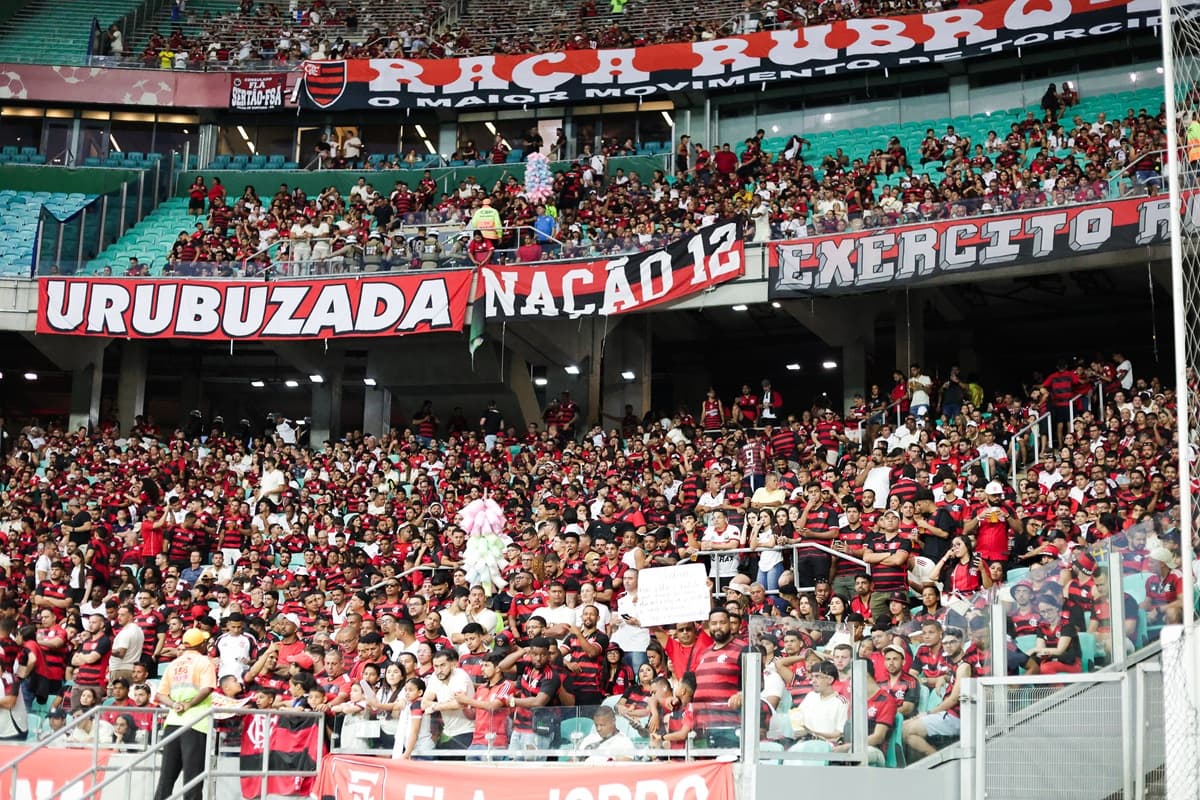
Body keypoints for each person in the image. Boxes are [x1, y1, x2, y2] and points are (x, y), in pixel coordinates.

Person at [152, 628, 217, 800]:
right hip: (196, 723)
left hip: (173, 722)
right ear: (201, 644)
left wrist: (174, 704)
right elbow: (207, 688)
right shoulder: (205, 662)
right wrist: (189, 704)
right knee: (193, 778)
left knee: (166, 777)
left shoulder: (174, 664)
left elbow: (160, 694)